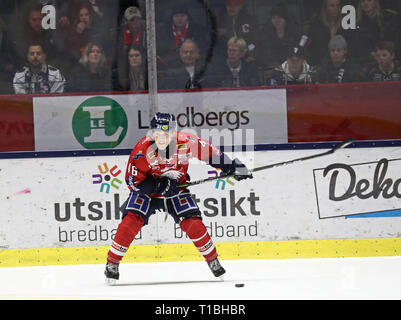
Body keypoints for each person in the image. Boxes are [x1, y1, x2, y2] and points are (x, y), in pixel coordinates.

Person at [104, 112, 253, 284]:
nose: (163, 138)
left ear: (174, 132)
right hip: (148, 193)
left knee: (193, 222)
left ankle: (213, 259)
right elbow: (132, 182)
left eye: (167, 134)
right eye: (159, 134)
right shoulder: (141, 151)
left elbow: (211, 153)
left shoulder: (187, 142)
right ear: (152, 134)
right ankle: (112, 263)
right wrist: (158, 186)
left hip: (176, 189)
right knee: (131, 221)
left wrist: (232, 167)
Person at [352, 0, 400, 66]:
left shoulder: (388, 18)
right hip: (367, 61)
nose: (366, 3)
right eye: (363, 1)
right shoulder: (356, 23)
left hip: (389, 59)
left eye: (369, 0)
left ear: (376, 2)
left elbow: (393, 41)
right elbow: (357, 46)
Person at [256, 2, 301, 71]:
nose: (276, 21)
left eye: (279, 17)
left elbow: (299, 51)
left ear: (286, 19)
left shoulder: (295, 33)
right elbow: (265, 55)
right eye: (274, 18)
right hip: (271, 68)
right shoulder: (265, 33)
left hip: (291, 69)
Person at [303, 0, 349, 66]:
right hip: (319, 66)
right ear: (325, 8)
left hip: (341, 66)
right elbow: (304, 45)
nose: (336, 8)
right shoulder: (315, 25)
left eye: (338, 5)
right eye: (332, 6)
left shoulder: (345, 26)